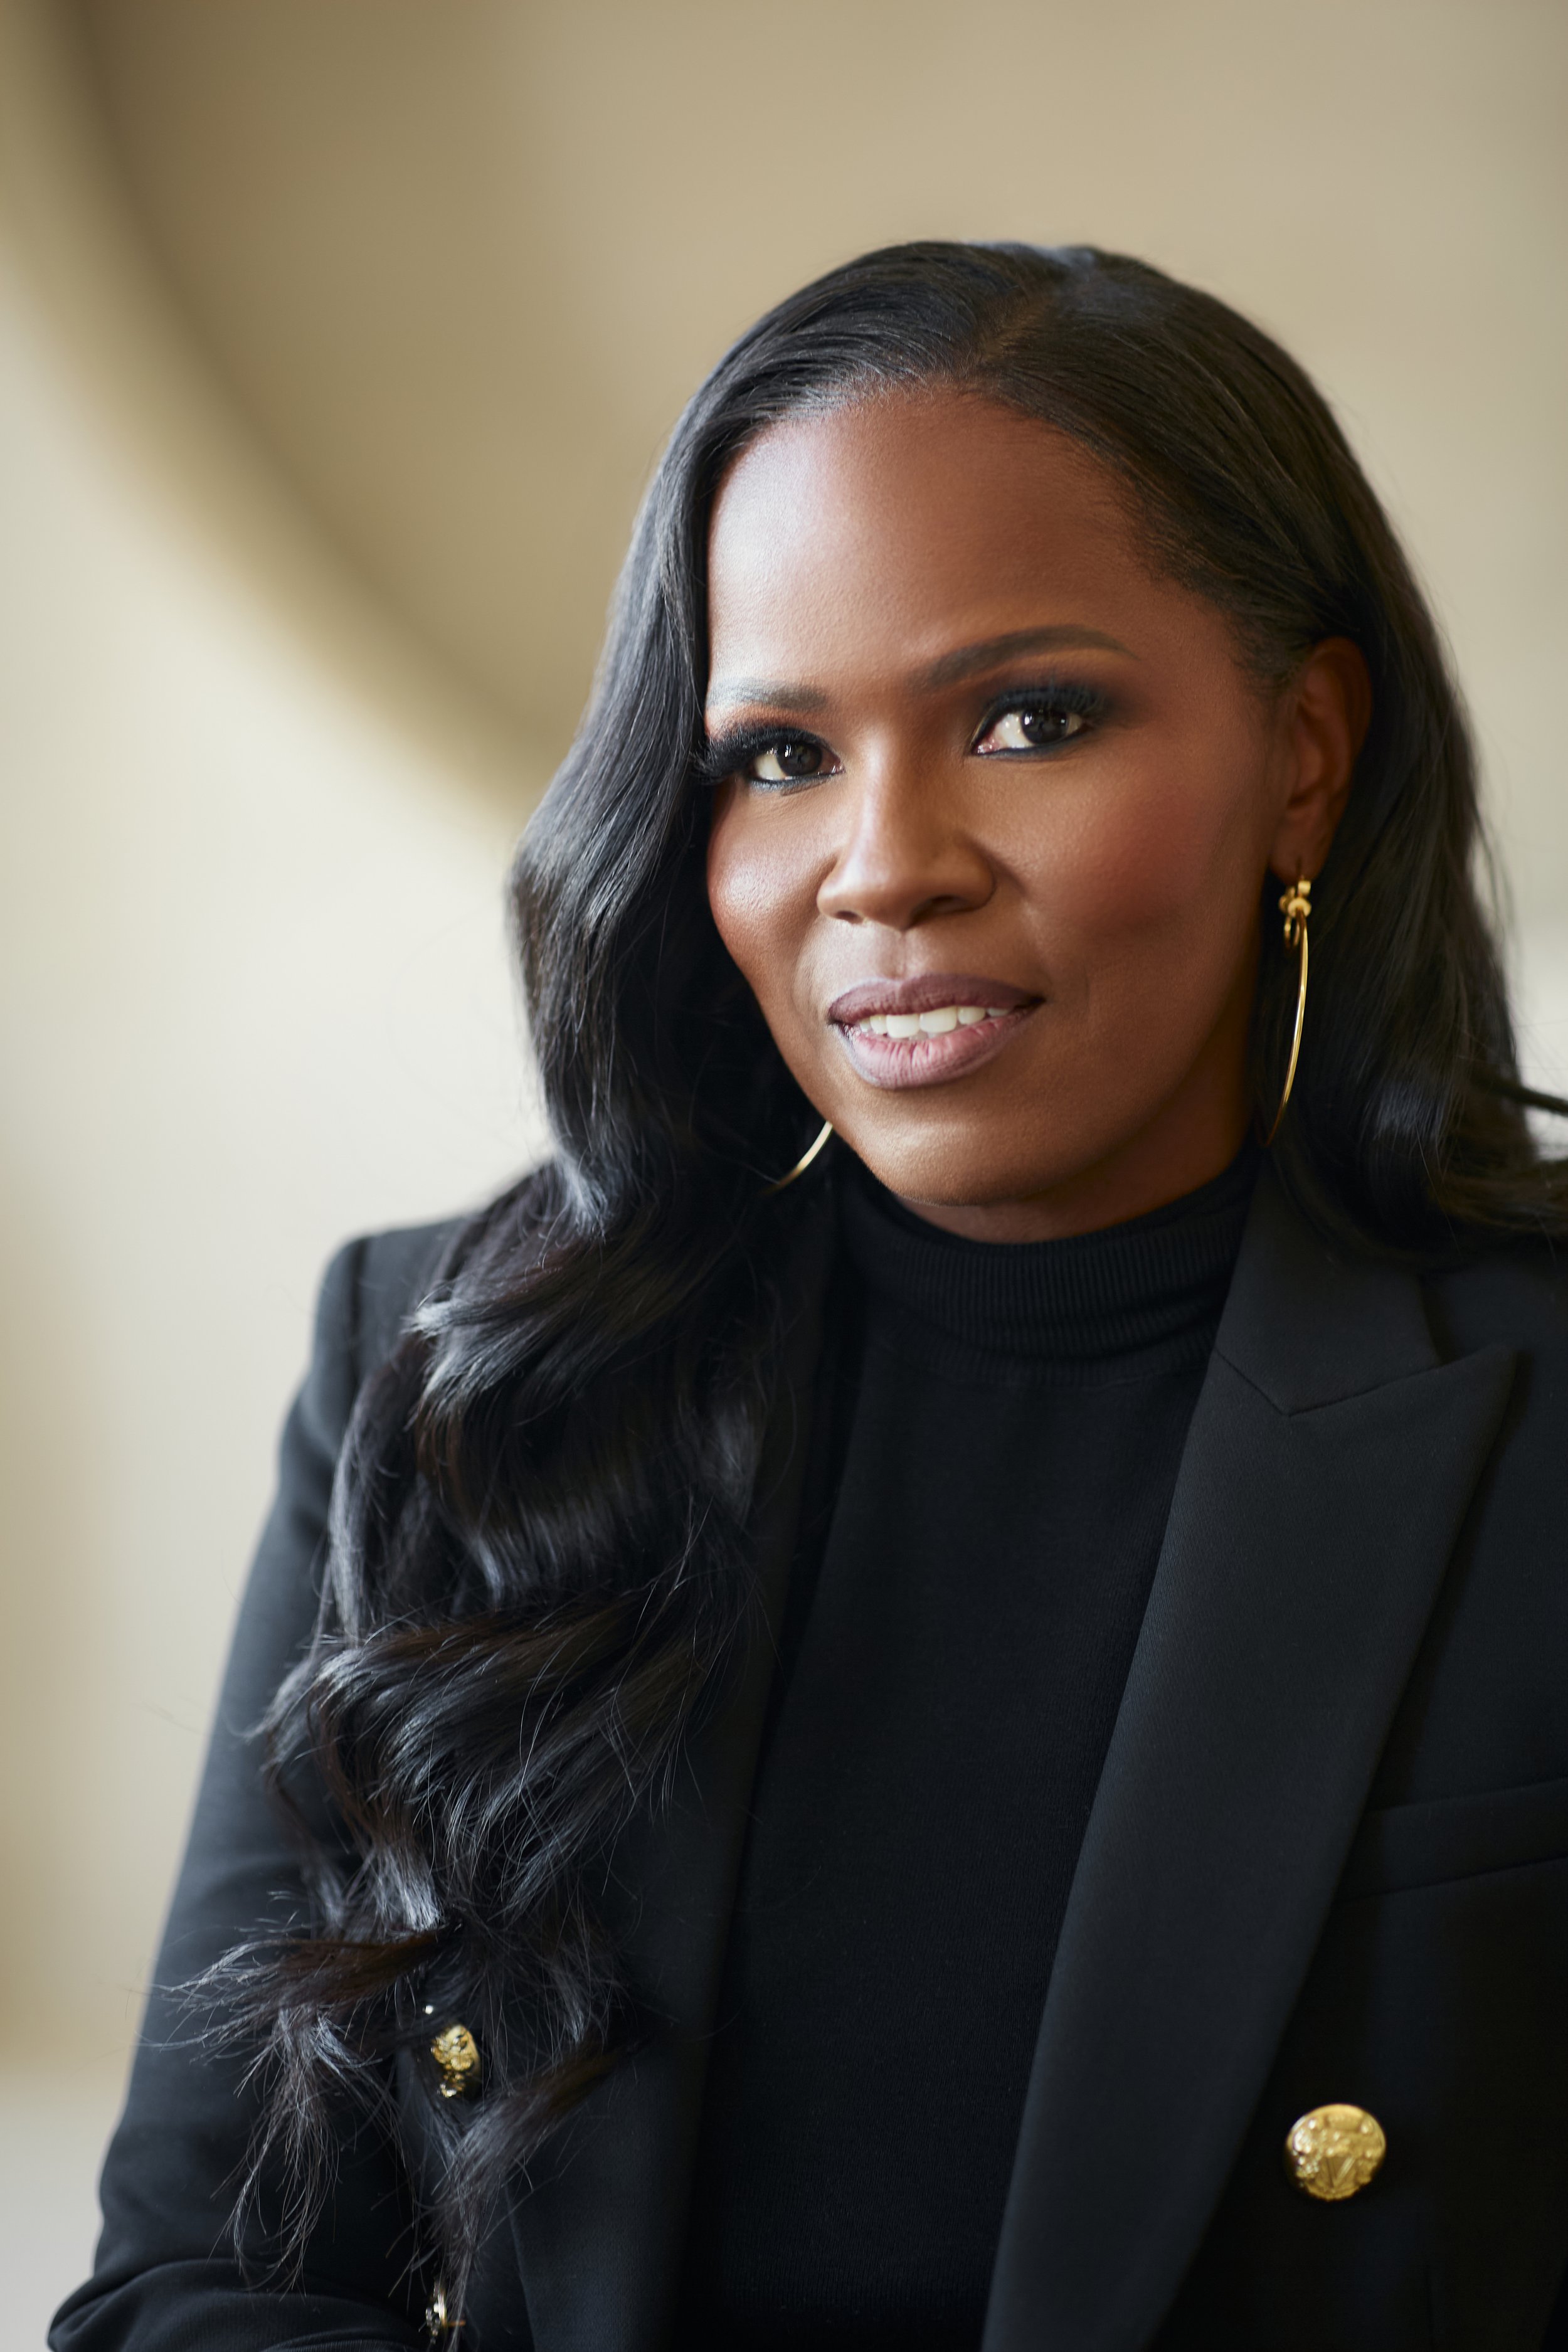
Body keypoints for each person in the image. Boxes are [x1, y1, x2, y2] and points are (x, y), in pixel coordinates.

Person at [53, 242, 1568, 2352]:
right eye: (777, 753)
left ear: (1303, 753)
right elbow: (190, 2287)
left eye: (1030, 718)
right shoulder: (458, 1388)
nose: (881, 864)